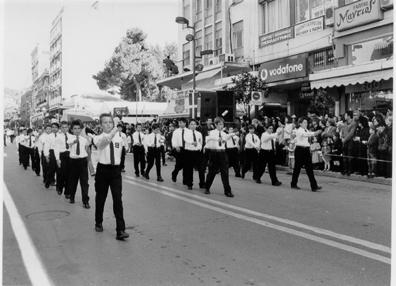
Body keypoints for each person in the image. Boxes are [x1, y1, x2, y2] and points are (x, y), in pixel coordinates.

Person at [93, 114, 129, 240]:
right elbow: (105, 142)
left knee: (118, 200)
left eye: (110, 122)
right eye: (105, 122)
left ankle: (120, 230)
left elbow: (124, 150)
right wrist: (115, 130)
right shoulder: (98, 138)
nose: (108, 124)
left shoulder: (119, 137)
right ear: (101, 124)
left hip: (115, 171)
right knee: (100, 198)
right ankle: (98, 221)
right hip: (103, 170)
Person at [204, 117, 234, 197]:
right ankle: (207, 188)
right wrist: (218, 139)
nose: (222, 126)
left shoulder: (224, 134)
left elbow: (225, 141)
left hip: (223, 153)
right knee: (212, 172)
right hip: (214, 153)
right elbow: (208, 140)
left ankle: (227, 191)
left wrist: (229, 136)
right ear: (216, 124)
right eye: (220, 124)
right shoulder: (211, 132)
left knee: (225, 172)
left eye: (222, 124)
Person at [291, 118, 322, 192]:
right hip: (299, 150)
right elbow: (305, 135)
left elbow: (306, 135)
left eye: (307, 122)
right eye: (304, 122)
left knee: (309, 168)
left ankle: (314, 186)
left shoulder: (306, 130)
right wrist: (314, 133)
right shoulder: (299, 130)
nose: (306, 124)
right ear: (300, 123)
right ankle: (293, 184)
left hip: (306, 150)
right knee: (297, 168)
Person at [66, 120, 90, 208]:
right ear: (72, 130)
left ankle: (85, 201)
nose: (77, 130)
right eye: (75, 128)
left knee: (84, 182)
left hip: (83, 161)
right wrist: (74, 142)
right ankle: (72, 197)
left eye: (78, 128)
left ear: (81, 130)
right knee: (73, 181)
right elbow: (69, 144)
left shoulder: (84, 139)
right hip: (73, 162)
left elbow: (87, 149)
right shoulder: (70, 138)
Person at [184, 119, 205, 190]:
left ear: (196, 125)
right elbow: (186, 139)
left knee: (201, 169)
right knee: (189, 169)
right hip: (189, 152)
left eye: (194, 124)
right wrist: (193, 142)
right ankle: (190, 184)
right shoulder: (186, 132)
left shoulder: (199, 134)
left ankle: (202, 183)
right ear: (189, 125)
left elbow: (201, 142)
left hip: (197, 152)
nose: (193, 126)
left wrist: (199, 148)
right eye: (191, 124)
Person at [53, 121, 71, 197]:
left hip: (69, 156)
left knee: (69, 174)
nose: (64, 129)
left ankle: (67, 192)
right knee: (61, 173)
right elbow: (56, 149)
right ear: (60, 128)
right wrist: (57, 159)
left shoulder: (71, 136)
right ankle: (59, 187)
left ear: (68, 127)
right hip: (62, 155)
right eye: (63, 127)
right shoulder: (58, 137)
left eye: (66, 127)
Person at [171, 118, 187, 184]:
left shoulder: (188, 131)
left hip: (186, 149)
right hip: (179, 149)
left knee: (186, 165)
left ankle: (185, 180)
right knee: (178, 165)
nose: (180, 124)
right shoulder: (176, 131)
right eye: (179, 123)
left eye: (182, 122)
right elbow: (173, 140)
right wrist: (176, 146)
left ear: (185, 123)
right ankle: (174, 174)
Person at [341, 111, 357, 176]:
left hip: (350, 141)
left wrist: (344, 139)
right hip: (344, 141)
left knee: (349, 156)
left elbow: (351, 134)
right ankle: (345, 169)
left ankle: (350, 170)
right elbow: (342, 132)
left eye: (345, 115)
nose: (344, 116)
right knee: (344, 156)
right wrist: (342, 137)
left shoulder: (353, 123)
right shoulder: (344, 123)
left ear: (349, 116)